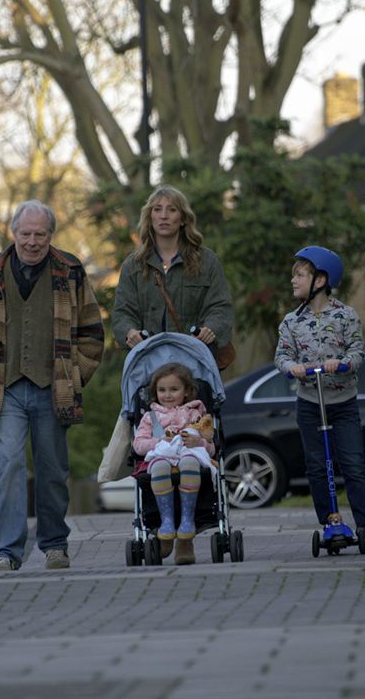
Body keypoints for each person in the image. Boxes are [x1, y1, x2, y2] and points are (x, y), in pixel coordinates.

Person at [0, 199, 105, 572]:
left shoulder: (70, 271)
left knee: (52, 469)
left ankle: (54, 546)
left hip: (54, 388)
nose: (32, 242)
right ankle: (6, 552)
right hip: (5, 390)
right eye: (25, 234)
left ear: (51, 235)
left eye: (40, 234)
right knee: (9, 464)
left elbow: (94, 334)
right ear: (13, 233)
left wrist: (74, 376)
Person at [274, 246, 365, 551]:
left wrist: (343, 363)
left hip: (343, 403)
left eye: (299, 275)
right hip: (310, 403)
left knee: (353, 463)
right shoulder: (290, 322)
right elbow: (282, 355)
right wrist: (292, 367)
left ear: (320, 280)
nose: (293, 281)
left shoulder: (346, 316)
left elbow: (357, 352)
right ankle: (330, 522)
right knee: (316, 464)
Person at [112, 185, 233, 353]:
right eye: (157, 209)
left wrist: (210, 329)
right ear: (150, 217)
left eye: (172, 210)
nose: (163, 216)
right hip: (149, 360)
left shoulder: (206, 261)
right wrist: (129, 332)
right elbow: (122, 313)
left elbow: (220, 307)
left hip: (195, 358)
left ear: (183, 218)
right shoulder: (133, 266)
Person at [131, 362, 215, 565]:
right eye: (162, 390)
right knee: (159, 466)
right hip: (162, 457)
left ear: (186, 391)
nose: (167, 395)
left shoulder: (196, 414)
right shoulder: (151, 417)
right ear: (155, 392)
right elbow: (138, 445)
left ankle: (187, 522)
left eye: (174, 389)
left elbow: (212, 448)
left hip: (189, 457)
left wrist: (200, 442)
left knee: (189, 462)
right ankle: (166, 522)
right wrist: (159, 441)